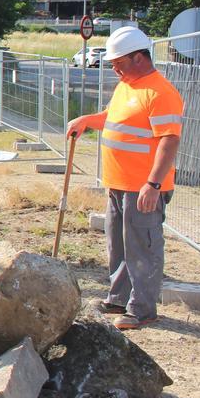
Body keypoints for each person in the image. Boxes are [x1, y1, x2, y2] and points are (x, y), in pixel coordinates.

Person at [66, 26, 182, 330]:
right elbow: (113, 117)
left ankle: (142, 309)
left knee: (141, 247)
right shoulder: (127, 86)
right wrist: (87, 121)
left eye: (119, 64)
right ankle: (119, 298)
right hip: (118, 183)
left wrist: (153, 184)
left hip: (143, 187)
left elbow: (169, 141)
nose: (115, 70)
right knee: (117, 243)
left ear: (139, 58)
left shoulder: (161, 92)